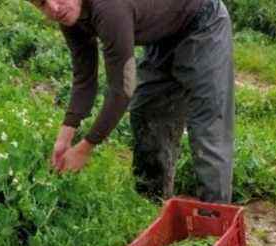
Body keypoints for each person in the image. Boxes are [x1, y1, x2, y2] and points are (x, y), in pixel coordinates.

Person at [28, 0, 234, 203]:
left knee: (208, 126)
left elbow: (121, 90)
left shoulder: (109, 8)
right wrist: (64, 139)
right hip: (163, 34)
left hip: (202, 21)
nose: (53, 7)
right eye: (42, 4)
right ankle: (151, 205)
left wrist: (85, 148)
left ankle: (215, 218)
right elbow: (84, 79)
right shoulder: (69, 15)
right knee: (147, 114)